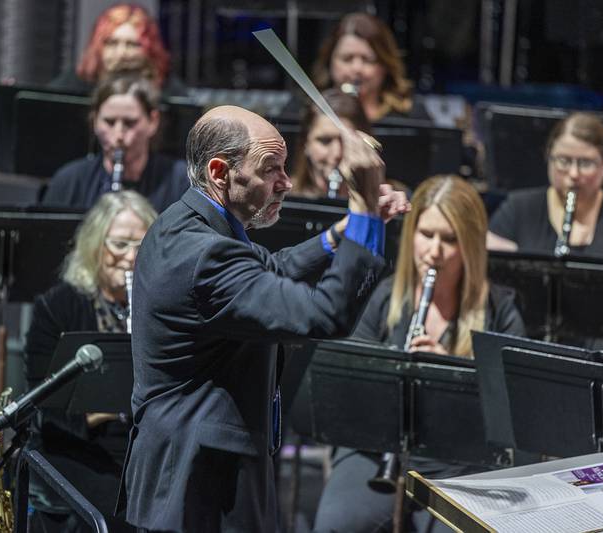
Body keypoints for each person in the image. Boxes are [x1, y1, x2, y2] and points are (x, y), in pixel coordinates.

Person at [116, 104, 410, 532]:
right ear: (221, 172)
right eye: (271, 169)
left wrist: (341, 233)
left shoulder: (184, 224)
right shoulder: (206, 254)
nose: (286, 183)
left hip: (189, 474)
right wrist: (364, 213)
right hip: (198, 486)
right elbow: (324, 316)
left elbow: (267, 269)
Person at [313, 175, 525, 533]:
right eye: (426, 235)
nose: (434, 252)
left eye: (449, 239)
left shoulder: (500, 309)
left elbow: (514, 406)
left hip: (463, 458)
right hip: (378, 448)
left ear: (470, 245)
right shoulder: (383, 298)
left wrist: (453, 374)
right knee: (337, 523)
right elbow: (349, 385)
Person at [25, 191, 156, 532]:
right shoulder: (57, 306)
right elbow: (43, 398)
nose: (130, 258)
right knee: (118, 509)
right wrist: (105, 409)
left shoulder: (160, 307)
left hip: (144, 445)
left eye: (141, 246)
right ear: (96, 245)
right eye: (120, 245)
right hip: (78, 447)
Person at [487, 112, 603, 263]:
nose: (574, 174)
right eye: (563, 161)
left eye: (586, 163)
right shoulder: (518, 208)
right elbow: (494, 274)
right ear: (549, 156)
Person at [42, 73, 189, 213]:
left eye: (130, 123)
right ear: (94, 121)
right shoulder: (69, 182)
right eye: (109, 122)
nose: (119, 135)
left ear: (153, 121)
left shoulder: (181, 181)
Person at [312, 12, 428, 122]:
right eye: (347, 58)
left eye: (368, 60)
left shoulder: (412, 117)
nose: (357, 69)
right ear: (330, 61)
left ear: (385, 65)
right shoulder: (308, 112)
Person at [49, 3, 171, 94]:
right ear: (98, 47)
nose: (121, 53)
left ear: (149, 50)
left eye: (132, 44)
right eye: (112, 43)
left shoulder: (168, 90)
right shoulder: (73, 84)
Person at [291, 88, 371, 199]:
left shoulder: (386, 200)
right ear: (305, 142)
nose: (337, 154)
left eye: (347, 142)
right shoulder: (279, 196)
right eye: (325, 140)